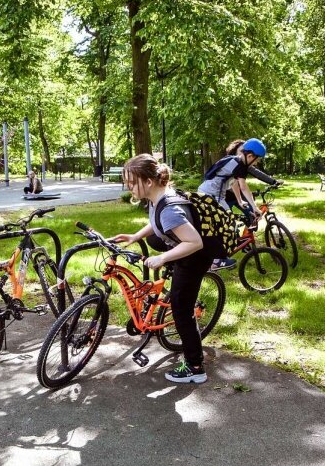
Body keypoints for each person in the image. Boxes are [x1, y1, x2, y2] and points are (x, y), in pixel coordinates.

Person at [113, 154, 216, 384]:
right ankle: (173, 266)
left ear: (148, 182)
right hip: (182, 249)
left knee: (181, 310)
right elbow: (157, 223)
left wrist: (162, 259)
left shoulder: (169, 208)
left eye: (132, 181)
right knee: (153, 241)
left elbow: (194, 242)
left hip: (195, 257)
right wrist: (135, 236)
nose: (129, 186)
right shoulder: (157, 199)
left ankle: (195, 366)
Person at [198, 138, 271, 270]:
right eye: (257, 160)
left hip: (210, 193)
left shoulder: (233, 160)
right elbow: (243, 187)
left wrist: (240, 201)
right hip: (212, 196)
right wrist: (254, 208)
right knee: (228, 223)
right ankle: (217, 260)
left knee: (225, 224)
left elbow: (233, 183)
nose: (256, 163)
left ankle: (216, 255)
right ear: (250, 156)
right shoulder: (239, 165)